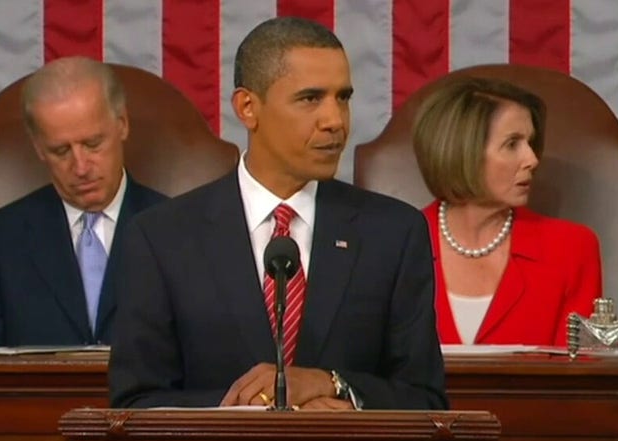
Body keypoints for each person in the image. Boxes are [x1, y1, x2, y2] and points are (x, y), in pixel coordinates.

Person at [108, 17, 447, 410]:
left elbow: (426, 400)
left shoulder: (393, 233)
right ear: (248, 108)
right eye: (310, 99)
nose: (335, 121)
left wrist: (334, 386)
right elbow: (136, 403)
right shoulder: (161, 238)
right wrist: (261, 409)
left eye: (343, 98)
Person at [0, 57, 166, 346]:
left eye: (93, 144)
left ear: (122, 124)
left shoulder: (179, 229)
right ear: (39, 148)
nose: (81, 167)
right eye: (61, 151)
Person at [412, 77, 602, 346]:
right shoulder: (395, 245)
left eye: (530, 143)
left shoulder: (572, 249)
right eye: (512, 144)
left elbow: (579, 368)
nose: (532, 159)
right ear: (462, 151)